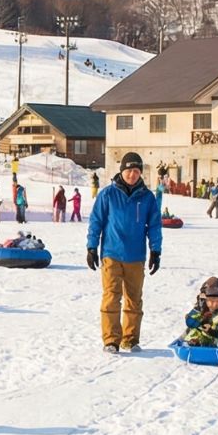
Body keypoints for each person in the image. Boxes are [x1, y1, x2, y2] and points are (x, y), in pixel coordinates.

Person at [86, 151, 161, 353]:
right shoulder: (107, 194)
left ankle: (130, 339)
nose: (132, 175)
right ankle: (111, 340)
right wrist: (92, 247)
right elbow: (96, 222)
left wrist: (156, 250)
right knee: (111, 297)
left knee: (134, 299)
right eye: (129, 170)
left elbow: (154, 226)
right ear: (122, 171)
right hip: (111, 253)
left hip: (136, 256)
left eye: (136, 171)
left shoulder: (147, 198)